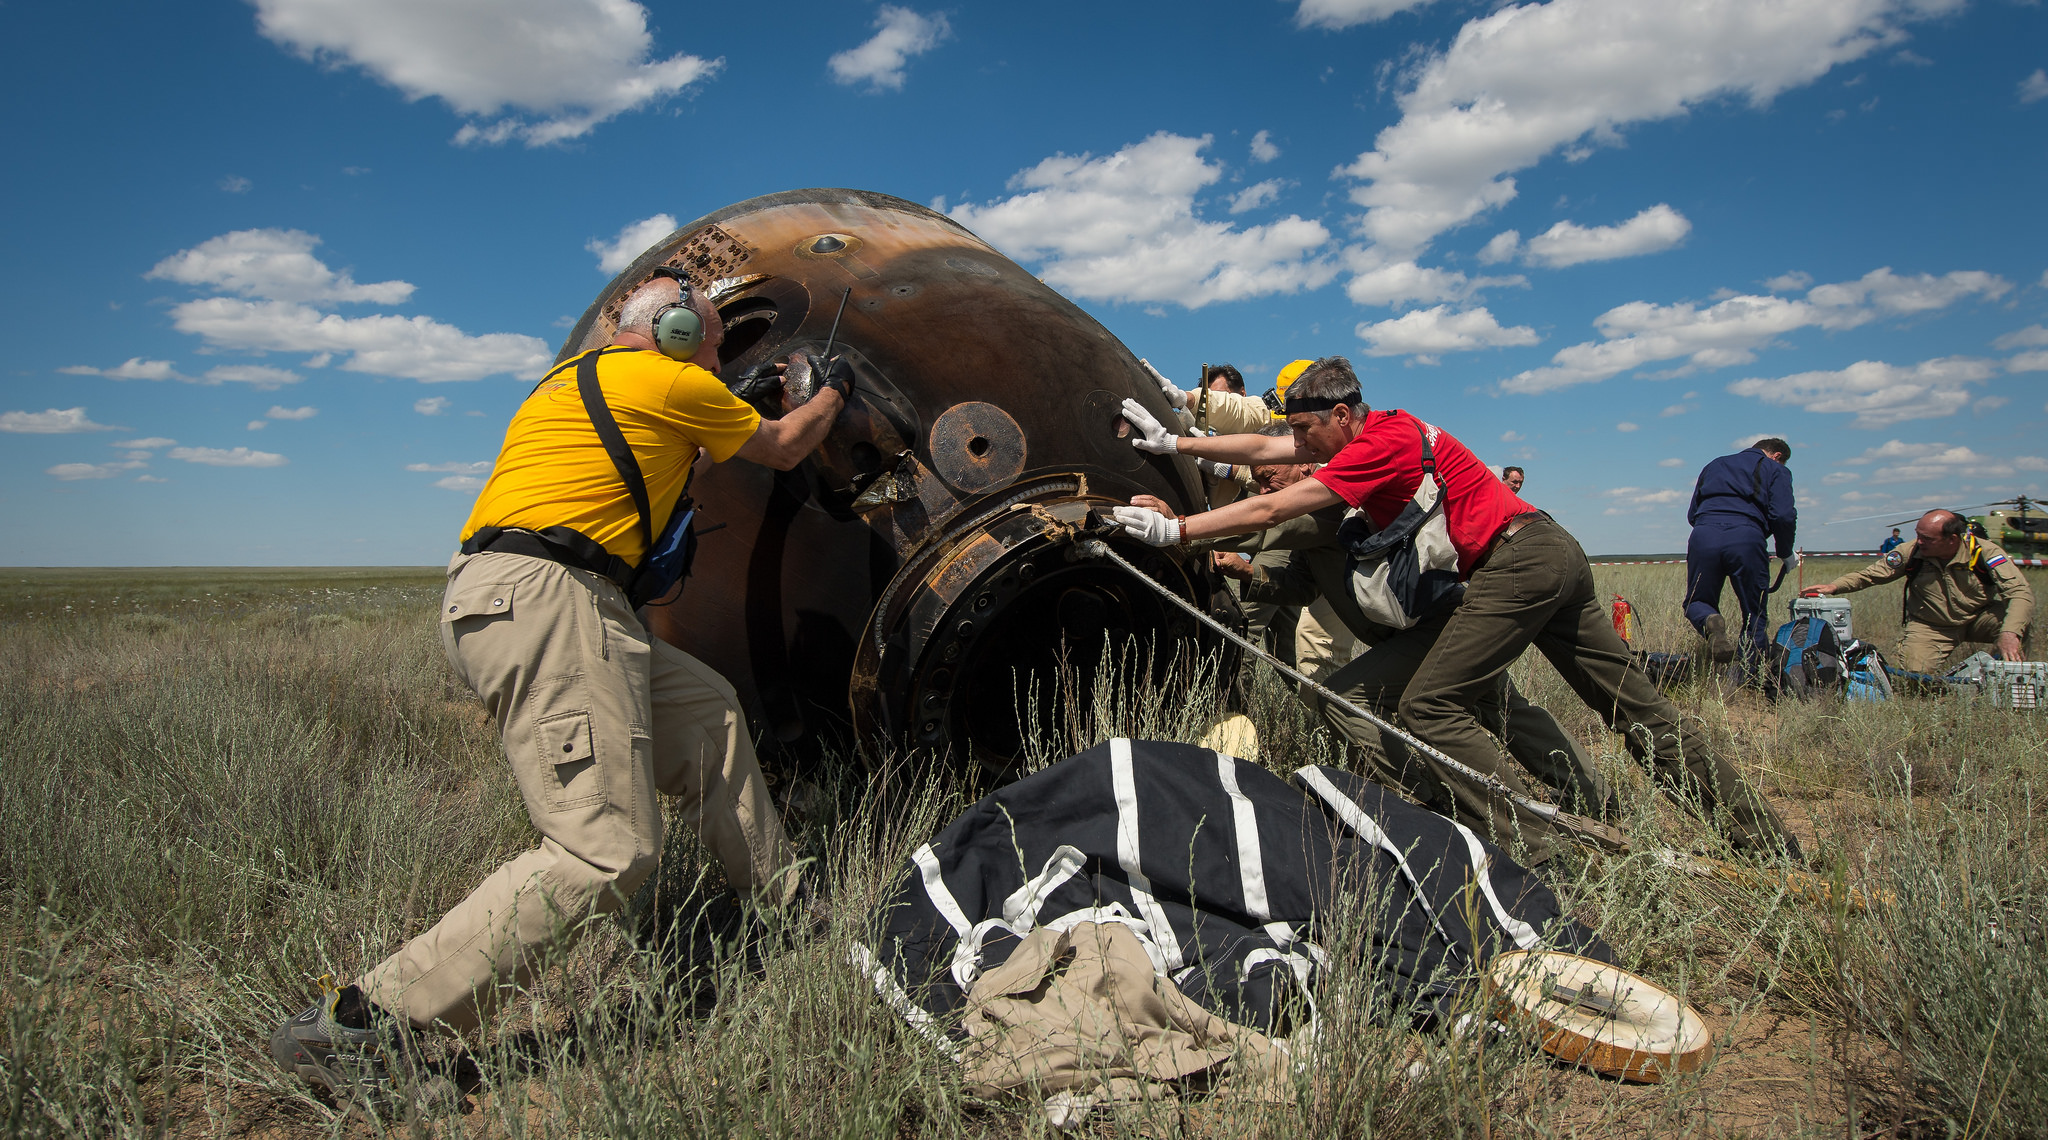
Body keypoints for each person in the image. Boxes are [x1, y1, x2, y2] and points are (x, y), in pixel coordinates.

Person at [269, 268, 848, 1109]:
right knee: (604, 850)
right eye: (714, 339)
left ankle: (778, 907)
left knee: (709, 711)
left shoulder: (572, 383)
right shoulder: (667, 378)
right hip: (553, 599)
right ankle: (363, 1025)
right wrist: (830, 393)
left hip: (533, 595)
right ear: (677, 336)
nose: (718, 356)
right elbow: (789, 444)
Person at [1110, 357, 1798, 865]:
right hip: (1551, 548)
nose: (1300, 447)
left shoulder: (1377, 448)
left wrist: (1179, 532)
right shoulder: (1364, 432)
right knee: (1637, 710)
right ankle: (1769, 845)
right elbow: (1261, 447)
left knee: (1430, 706)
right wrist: (1178, 442)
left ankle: (1554, 856)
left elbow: (1270, 507)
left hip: (1516, 562)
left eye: (1309, 433)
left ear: (1342, 417)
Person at [1209, 510, 1611, 822]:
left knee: (1346, 699)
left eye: (1270, 477)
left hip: (1434, 625)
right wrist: (1247, 571)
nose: (1264, 489)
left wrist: (1184, 528)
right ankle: (1589, 794)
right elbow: (1303, 585)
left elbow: (1268, 520)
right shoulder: (1309, 526)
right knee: (1501, 710)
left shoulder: (1325, 506)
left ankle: (1435, 800)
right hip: (1428, 629)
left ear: (1299, 467)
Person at [1804, 509, 2035, 673]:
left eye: (1927, 538)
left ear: (1952, 539)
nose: (1919, 542)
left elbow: (2020, 593)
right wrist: (1834, 587)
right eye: (1918, 534)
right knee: (1915, 679)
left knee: (2017, 626)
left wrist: (2009, 633)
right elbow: (1871, 575)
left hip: (1979, 618)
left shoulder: (1985, 552)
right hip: (1931, 626)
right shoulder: (1911, 551)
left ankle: (2001, 674)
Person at [1684, 438, 1795, 669]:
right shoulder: (1775, 469)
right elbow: (1783, 516)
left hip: (1703, 535)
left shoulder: (1714, 465)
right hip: (1746, 537)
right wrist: (1785, 552)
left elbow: (1692, 512)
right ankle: (1750, 673)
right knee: (1754, 613)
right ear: (1776, 456)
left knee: (1697, 601)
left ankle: (1709, 621)